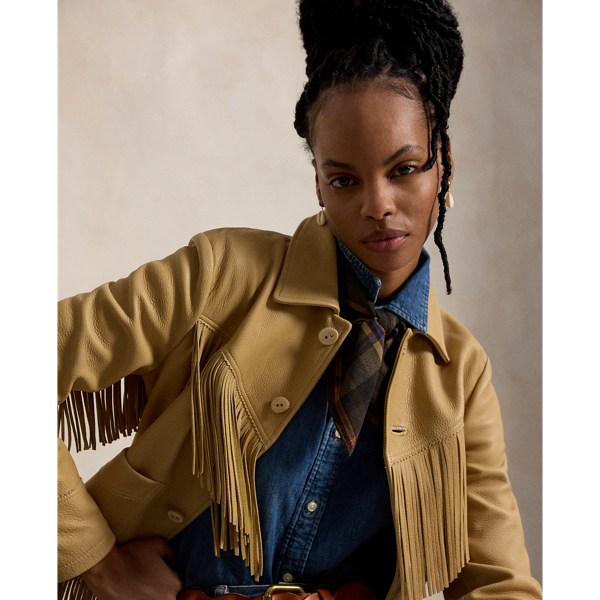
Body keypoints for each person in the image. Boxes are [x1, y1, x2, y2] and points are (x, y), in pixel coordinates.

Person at [57, 1, 543, 599]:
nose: (377, 204)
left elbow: (498, 581)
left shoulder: (460, 373)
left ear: (443, 164)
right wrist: (99, 564)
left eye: (405, 169)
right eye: (344, 179)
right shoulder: (219, 276)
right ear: (317, 181)